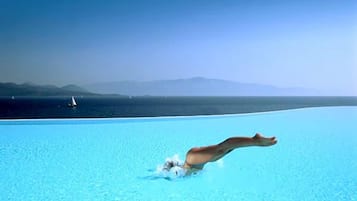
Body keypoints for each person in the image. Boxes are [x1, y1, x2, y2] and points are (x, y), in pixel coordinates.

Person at [163, 133, 277, 176]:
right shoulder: (193, 167)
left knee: (222, 147)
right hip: (198, 161)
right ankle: (255, 142)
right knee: (228, 148)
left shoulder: (188, 164)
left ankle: (255, 140)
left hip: (193, 159)